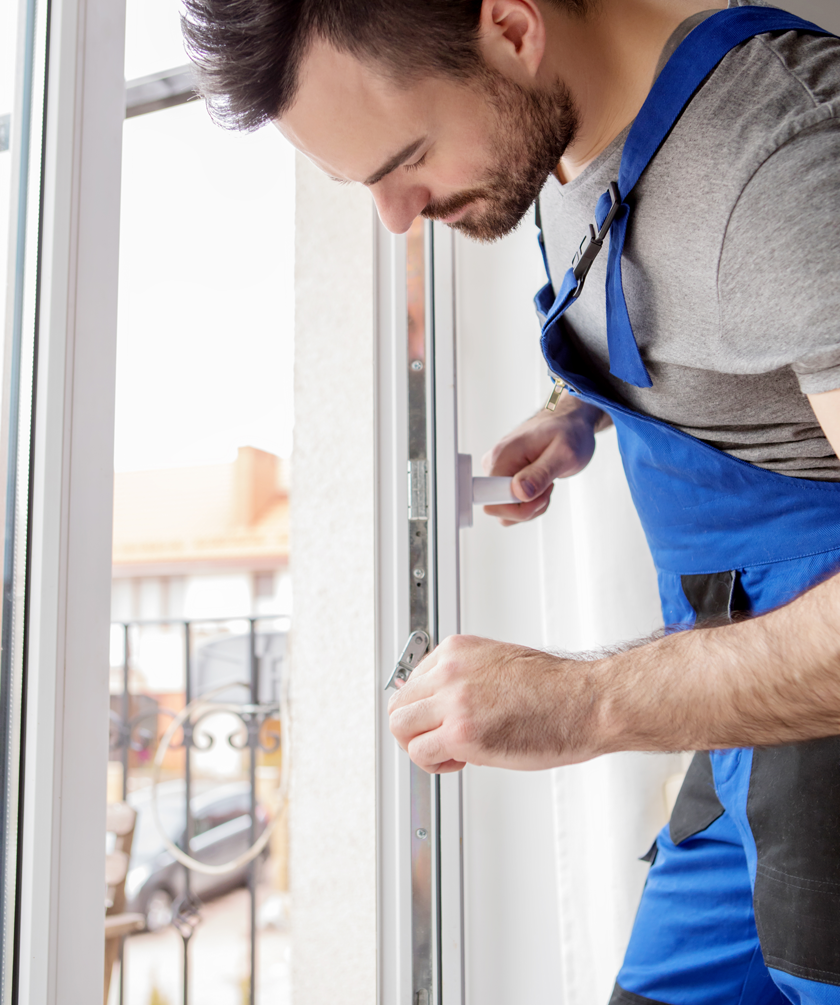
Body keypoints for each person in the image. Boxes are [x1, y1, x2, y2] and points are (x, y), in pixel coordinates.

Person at [181, 0, 840, 1000]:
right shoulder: (557, 139)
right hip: (738, 717)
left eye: (405, 161)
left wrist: (585, 704)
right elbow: (721, 326)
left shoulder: (784, 175)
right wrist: (574, 411)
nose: (397, 217)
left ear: (512, 26)